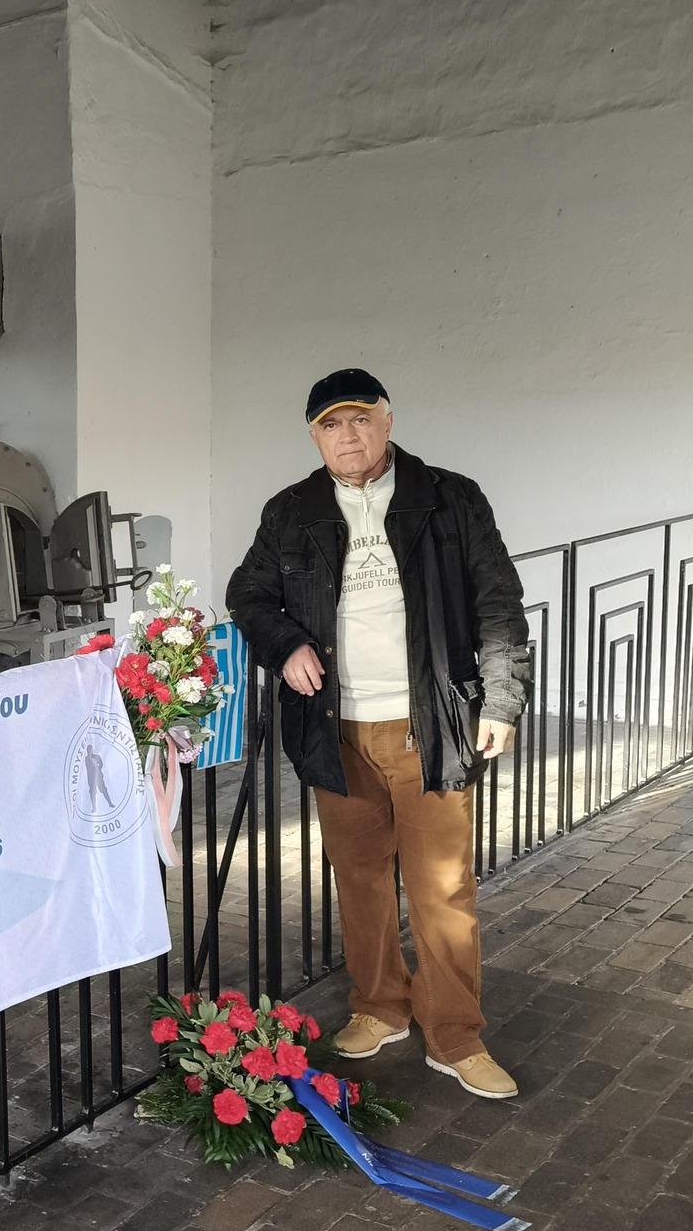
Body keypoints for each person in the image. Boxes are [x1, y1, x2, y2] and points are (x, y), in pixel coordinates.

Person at [225, 369, 532, 1099]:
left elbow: (498, 603)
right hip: (337, 728)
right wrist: (286, 645)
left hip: (431, 723)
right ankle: (380, 1006)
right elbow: (249, 595)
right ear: (315, 436)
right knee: (359, 878)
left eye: (360, 419)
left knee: (443, 888)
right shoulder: (291, 511)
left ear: (388, 422)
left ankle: (455, 1034)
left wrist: (501, 700)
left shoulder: (449, 498)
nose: (348, 436)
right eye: (331, 425)